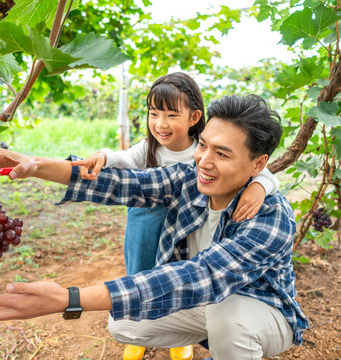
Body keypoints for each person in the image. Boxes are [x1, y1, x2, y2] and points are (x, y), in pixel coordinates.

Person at [0, 94, 309, 360]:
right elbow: (122, 184)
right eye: (203, 145)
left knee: (227, 315)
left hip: (262, 310)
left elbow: (204, 275)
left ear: (258, 164)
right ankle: (211, 337)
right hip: (209, 302)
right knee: (124, 321)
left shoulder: (270, 214)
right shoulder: (189, 179)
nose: (203, 160)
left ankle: (233, 344)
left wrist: (69, 299)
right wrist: (33, 164)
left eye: (222, 154)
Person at [76, 73, 280, 360]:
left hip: (183, 224)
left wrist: (259, 186)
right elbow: (122, 160)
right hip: (146, 220)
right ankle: (140, 325)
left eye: (172, 114)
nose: (161, 123)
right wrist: (102, 157)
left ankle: (178, 337)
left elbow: (262, 169)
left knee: (182, 274)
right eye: (154, 113)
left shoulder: (204, 146)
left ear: (194, 117)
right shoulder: (150, 149)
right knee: (141, 270)